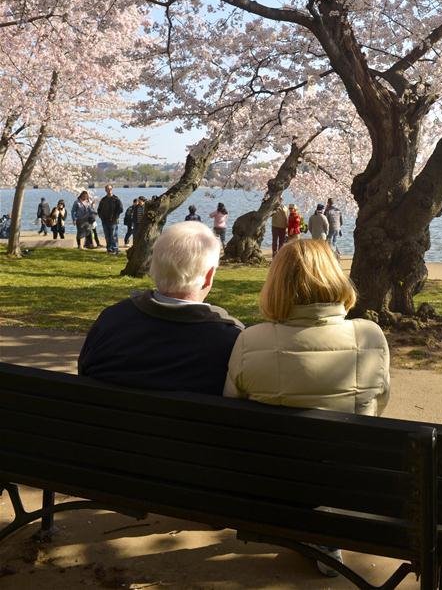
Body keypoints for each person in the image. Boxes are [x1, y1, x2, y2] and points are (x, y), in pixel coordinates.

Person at [224, 239, 390, 577]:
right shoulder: (369, 336)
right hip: (347, 479)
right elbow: (378, 404)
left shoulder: (250, 340)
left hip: (273, 478)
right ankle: (325, 536)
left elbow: (233, 411)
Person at [78, 221, 243, 393]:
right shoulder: (232, 340)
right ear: (208, 276)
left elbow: (84, 370)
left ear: (154, 267)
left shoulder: (111, 320)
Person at [97, 184, 124, 254]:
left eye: (110, 189)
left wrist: (115, 216)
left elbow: (121, 209)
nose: (109, 190)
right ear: (105, 190)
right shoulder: (103, 199)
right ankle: (109, 248)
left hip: (113, 221)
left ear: (112, 189)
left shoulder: (116, 199)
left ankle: (115, 248)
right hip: (104, 221)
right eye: (107, 189)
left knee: (113, 235)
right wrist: (101, 216)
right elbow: (99, 209)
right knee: (107, 235)